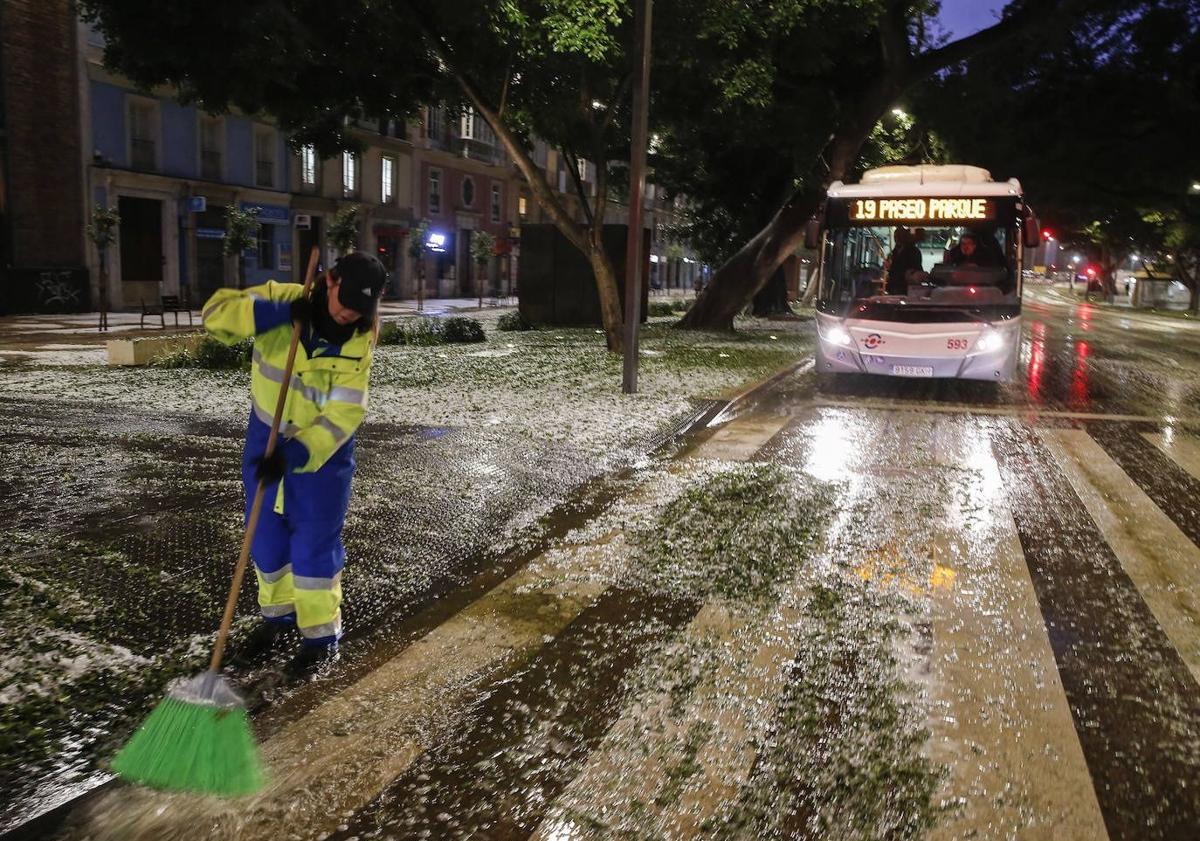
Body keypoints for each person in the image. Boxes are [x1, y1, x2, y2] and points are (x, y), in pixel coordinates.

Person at [202, 251, 385, 676]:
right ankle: (277, 617)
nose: (348, 313)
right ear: (331, 280)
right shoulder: (285, 298)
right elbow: (216, 317)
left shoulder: (358, 339)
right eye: (346, 300)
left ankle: (320, 637)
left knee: (313, 548)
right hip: (264, 437)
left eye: (361, 308)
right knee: (264, 537)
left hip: (322, 456)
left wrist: (298, 453)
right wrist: (278, 313)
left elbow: (345, 412)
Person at [885, 227, 923, 295]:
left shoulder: (913, 251)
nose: (896, 238)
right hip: (893, 285)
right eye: (895, 236)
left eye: (898, 236)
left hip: (907, 287)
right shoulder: (893, 252)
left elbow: (916, 268)